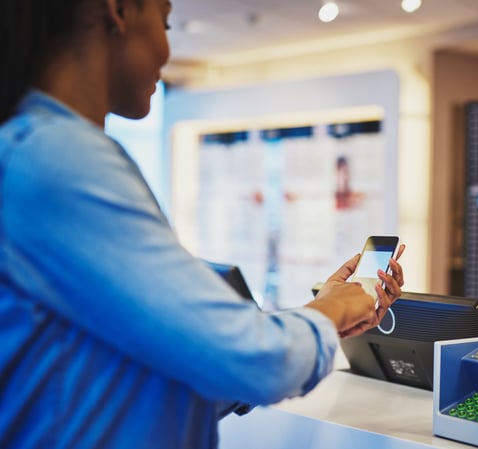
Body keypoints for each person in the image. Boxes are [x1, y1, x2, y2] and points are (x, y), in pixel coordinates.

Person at [0, 1, 405, 448]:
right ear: (117, 11)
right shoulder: (57, 157)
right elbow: (258, 365)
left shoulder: (39, 150)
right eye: (165, 22)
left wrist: (323, 320)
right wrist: (331, 310)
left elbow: (154, 381)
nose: (166, 50)